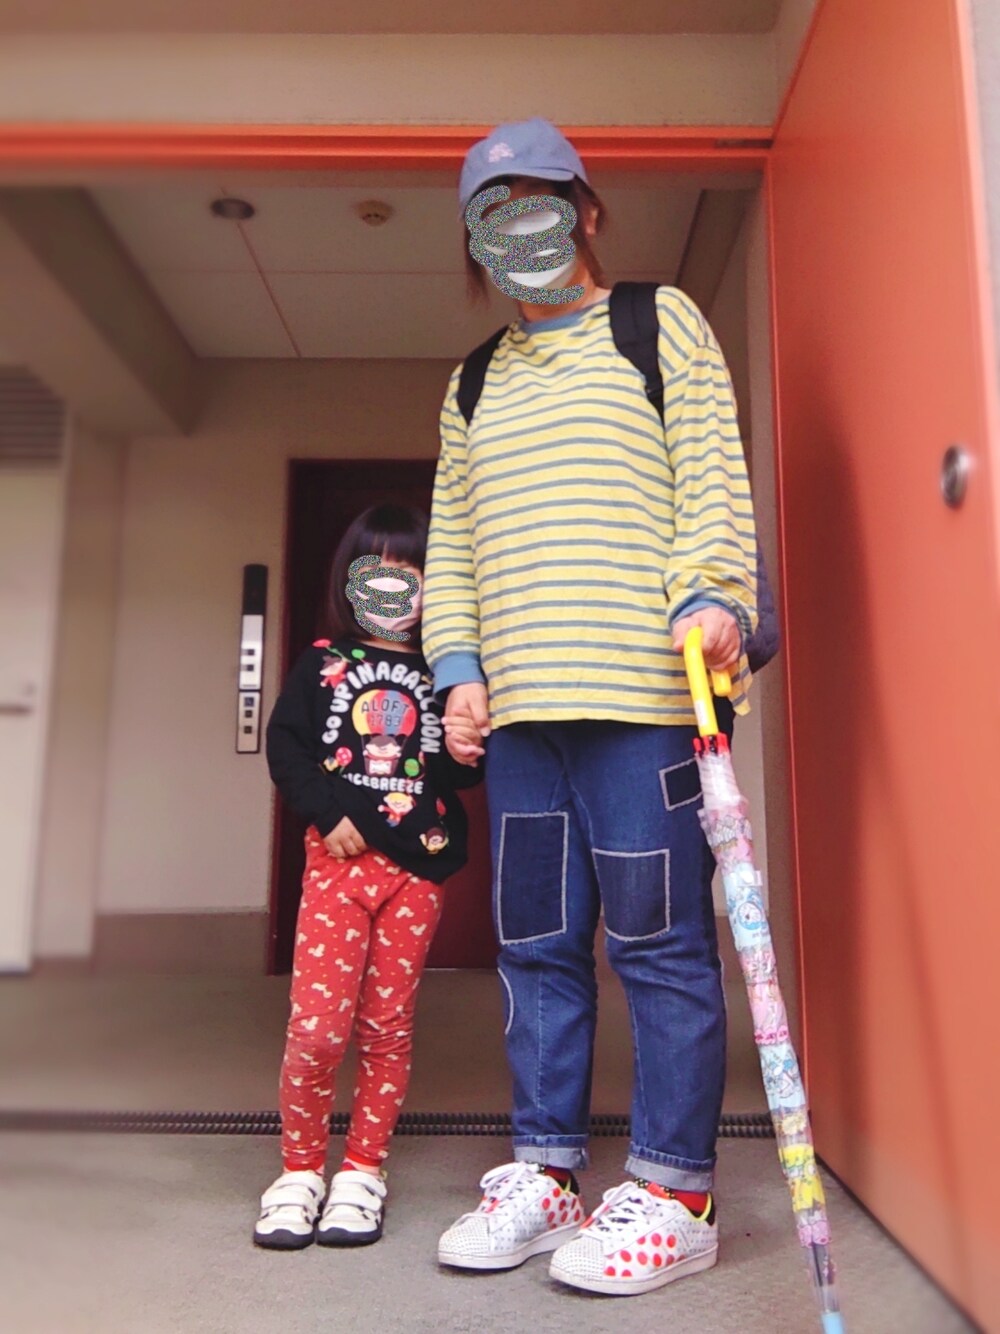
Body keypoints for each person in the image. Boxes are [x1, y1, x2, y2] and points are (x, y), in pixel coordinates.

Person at [422, 118, 761, 1296]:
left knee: (660, 946)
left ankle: (676, 1191)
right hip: (523, 718)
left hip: (642, 701)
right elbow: (454, 544)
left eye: (539, 203)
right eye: (493, 214)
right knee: (535, 945)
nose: (519, 230)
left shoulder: (656, 324)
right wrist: (458, 666)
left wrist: (712, 595)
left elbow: (709, 478)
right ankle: (548, 1169)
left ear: (586, 211)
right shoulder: (472, 382)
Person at [255, 504, 481, 1251]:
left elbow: (454, 772)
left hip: (416, 872)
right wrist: (325, 814)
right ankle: (298, 1172)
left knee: (386, 1026)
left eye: (412, 571)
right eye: (379, 570)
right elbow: (286, 747)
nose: (395, 584)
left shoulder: (446, 672)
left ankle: (361, 1170)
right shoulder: (323, 662)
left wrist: (466, 747)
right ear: (351, 581)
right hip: (339, 867)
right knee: (318, 1029)